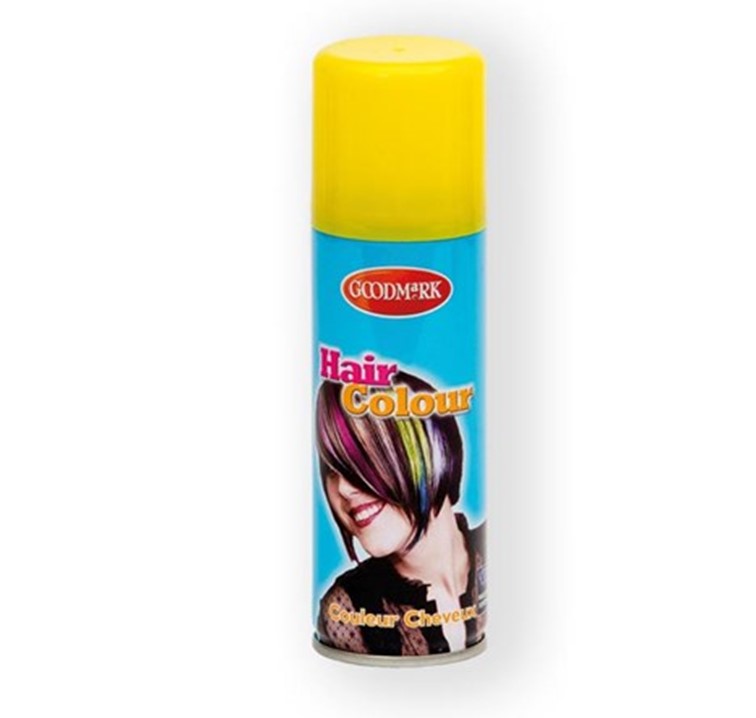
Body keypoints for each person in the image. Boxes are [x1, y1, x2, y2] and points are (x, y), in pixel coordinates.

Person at [315, 371, 486, 656]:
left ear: (429, 449)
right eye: (332, 468)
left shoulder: (499, 552)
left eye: (362, 455)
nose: (343, 487)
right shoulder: (345, 611)